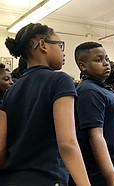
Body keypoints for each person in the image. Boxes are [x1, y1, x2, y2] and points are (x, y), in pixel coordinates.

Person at [0, 23, 90, 185]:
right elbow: (67, 143)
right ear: (43, 45)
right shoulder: (60, 80)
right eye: (59, 45)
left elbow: (1, 148)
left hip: (11, 179)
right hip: (46, 177)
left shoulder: (10, 92)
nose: (63, 52)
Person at [72, 41, 114, 186]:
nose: (106, 63)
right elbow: (95, 135)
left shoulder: (101, 88)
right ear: (83, 66)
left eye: (106, 58)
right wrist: (110, 175)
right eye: (98, 60)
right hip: (96, 172)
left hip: (109, 165)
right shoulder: (90, 91)